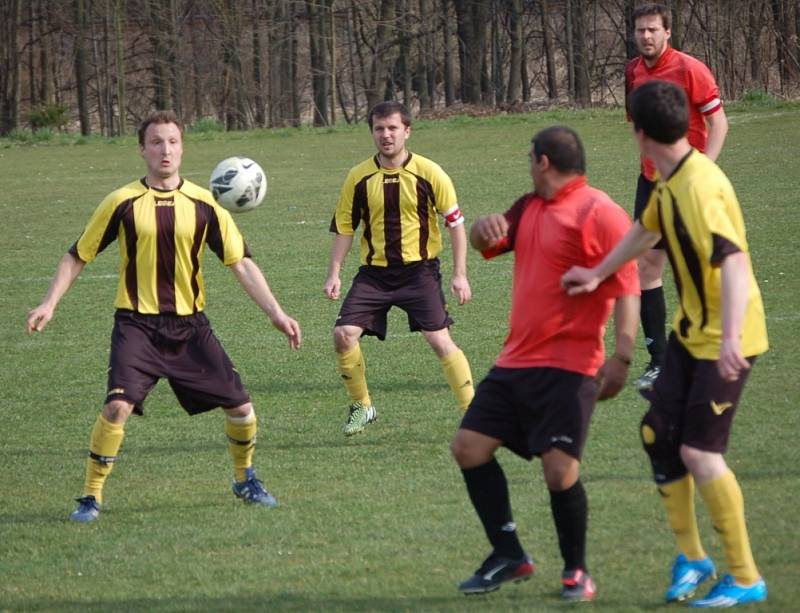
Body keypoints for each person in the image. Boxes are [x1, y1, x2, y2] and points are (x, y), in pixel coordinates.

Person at [26, 110, 302, 522]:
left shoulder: (204, 203)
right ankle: (90, 496)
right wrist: (50, 302)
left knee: (242, 410)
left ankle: (245, 478)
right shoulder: (121, 202)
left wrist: (277, 314)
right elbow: (77, 255)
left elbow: (240, 262)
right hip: (137, 326)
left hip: (191, 328)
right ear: (142, 150)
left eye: (172, 141)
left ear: (182, 147)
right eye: (156, 142)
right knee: (117, 408)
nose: (165, 150)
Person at [562, 80, 768, 607]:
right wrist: (599, 271)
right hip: (692, 332)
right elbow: (645, 231)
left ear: (639, 132)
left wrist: (728, 338)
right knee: (657, 431)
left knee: (699, 453)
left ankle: (745, 577)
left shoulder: (699, 187)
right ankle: (694, 558)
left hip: (728, 337)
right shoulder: (670, 179)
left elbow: (737, 261)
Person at [451, 126, 640, 601]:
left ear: (542, 162)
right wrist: (481, 229)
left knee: (559, 472)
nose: (527, 165)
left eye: (529, 158)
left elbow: (628, 284)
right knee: (469, 447)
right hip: (516, 361)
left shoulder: (600, 211)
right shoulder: (529, 206)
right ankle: (509, 555)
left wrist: (621, 355)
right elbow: (486, 244)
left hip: (571, 364)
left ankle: (577, 571)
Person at [324, 101, 474, 436]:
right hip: (374, 275)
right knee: (343, 335)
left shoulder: (430, 173)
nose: (386, 135)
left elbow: (456, 224)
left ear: (407, 131)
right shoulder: (358, 177)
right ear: (372, 132)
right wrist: (334, 272)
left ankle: (472, 415)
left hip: (419, 272)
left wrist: (459, 274)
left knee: (439, 340)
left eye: (393, 128)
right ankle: (363, 406)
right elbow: (345, 228)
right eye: (379, 128)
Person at [625, 2, 729, 391]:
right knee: (646, 269)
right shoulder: (633, 71)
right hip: (651, 182)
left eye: (653, 30)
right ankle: (660, 362)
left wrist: (704, 170)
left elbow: (719, 121)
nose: (646, 37)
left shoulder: (690, 69)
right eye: (640, 31)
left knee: (697, 268)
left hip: (690, 183)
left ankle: (709, 353)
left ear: (668, 32)